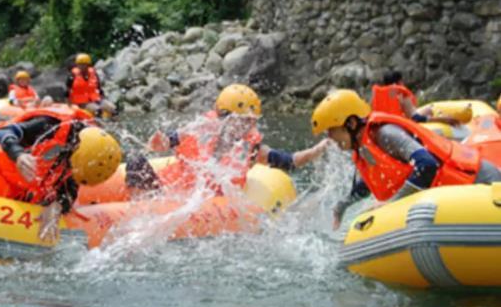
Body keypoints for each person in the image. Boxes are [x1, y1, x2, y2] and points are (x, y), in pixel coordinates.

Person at [311, 89, 501, 230]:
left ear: (351, 124)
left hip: (481, 180)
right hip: (462, 193)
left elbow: (427, 165)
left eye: (331, 130)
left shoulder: (386, 134)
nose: (330, 137)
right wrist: (341, 207)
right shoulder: (365, 146)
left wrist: (392, 203)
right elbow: (371, 182)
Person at [0, 107, 122, 240]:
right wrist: (19, 155)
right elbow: (5, 132)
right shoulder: (50, 125)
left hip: (6, 188)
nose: (71, 173)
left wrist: (58, 207)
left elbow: (69, 188)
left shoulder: (78, 156)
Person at [126, 84, 329, 196]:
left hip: (208, 204)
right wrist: (155, 142)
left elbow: (289, 161)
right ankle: (139, 208)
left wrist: (316, 151)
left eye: (251, 121)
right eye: (242, 121)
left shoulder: (251, 146)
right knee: (135, 161)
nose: (248, 126)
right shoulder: (198, 129)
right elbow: (163, 144)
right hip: (170, 192)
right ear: (224, 118)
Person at [372, 70, 461, 125]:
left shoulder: (379, 94)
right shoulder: (401, 93)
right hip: (402, 126)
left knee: (426, 108)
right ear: (399, 82)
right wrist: (441, 120)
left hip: (385, 126)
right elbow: (415, 119)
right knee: (430, 110)